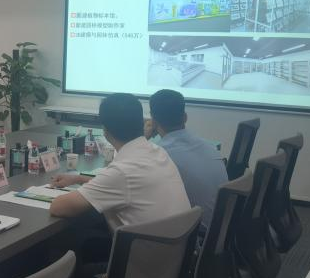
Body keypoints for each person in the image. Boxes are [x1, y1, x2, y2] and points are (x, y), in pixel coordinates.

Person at [50, 93, 190, 229]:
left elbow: (58, 207)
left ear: (105, 130)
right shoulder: (157, 151)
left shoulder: (123, 171)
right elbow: (122, 184)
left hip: (143, 244)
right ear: (142, 122)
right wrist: (78, 179)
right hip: (174, 241)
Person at [146, 89, 227, 231]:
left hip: (194, 234)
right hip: (219, 229)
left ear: (153, 121)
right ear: (185, 117)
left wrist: (143, 138)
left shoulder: (160, 155)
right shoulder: (208, 146)